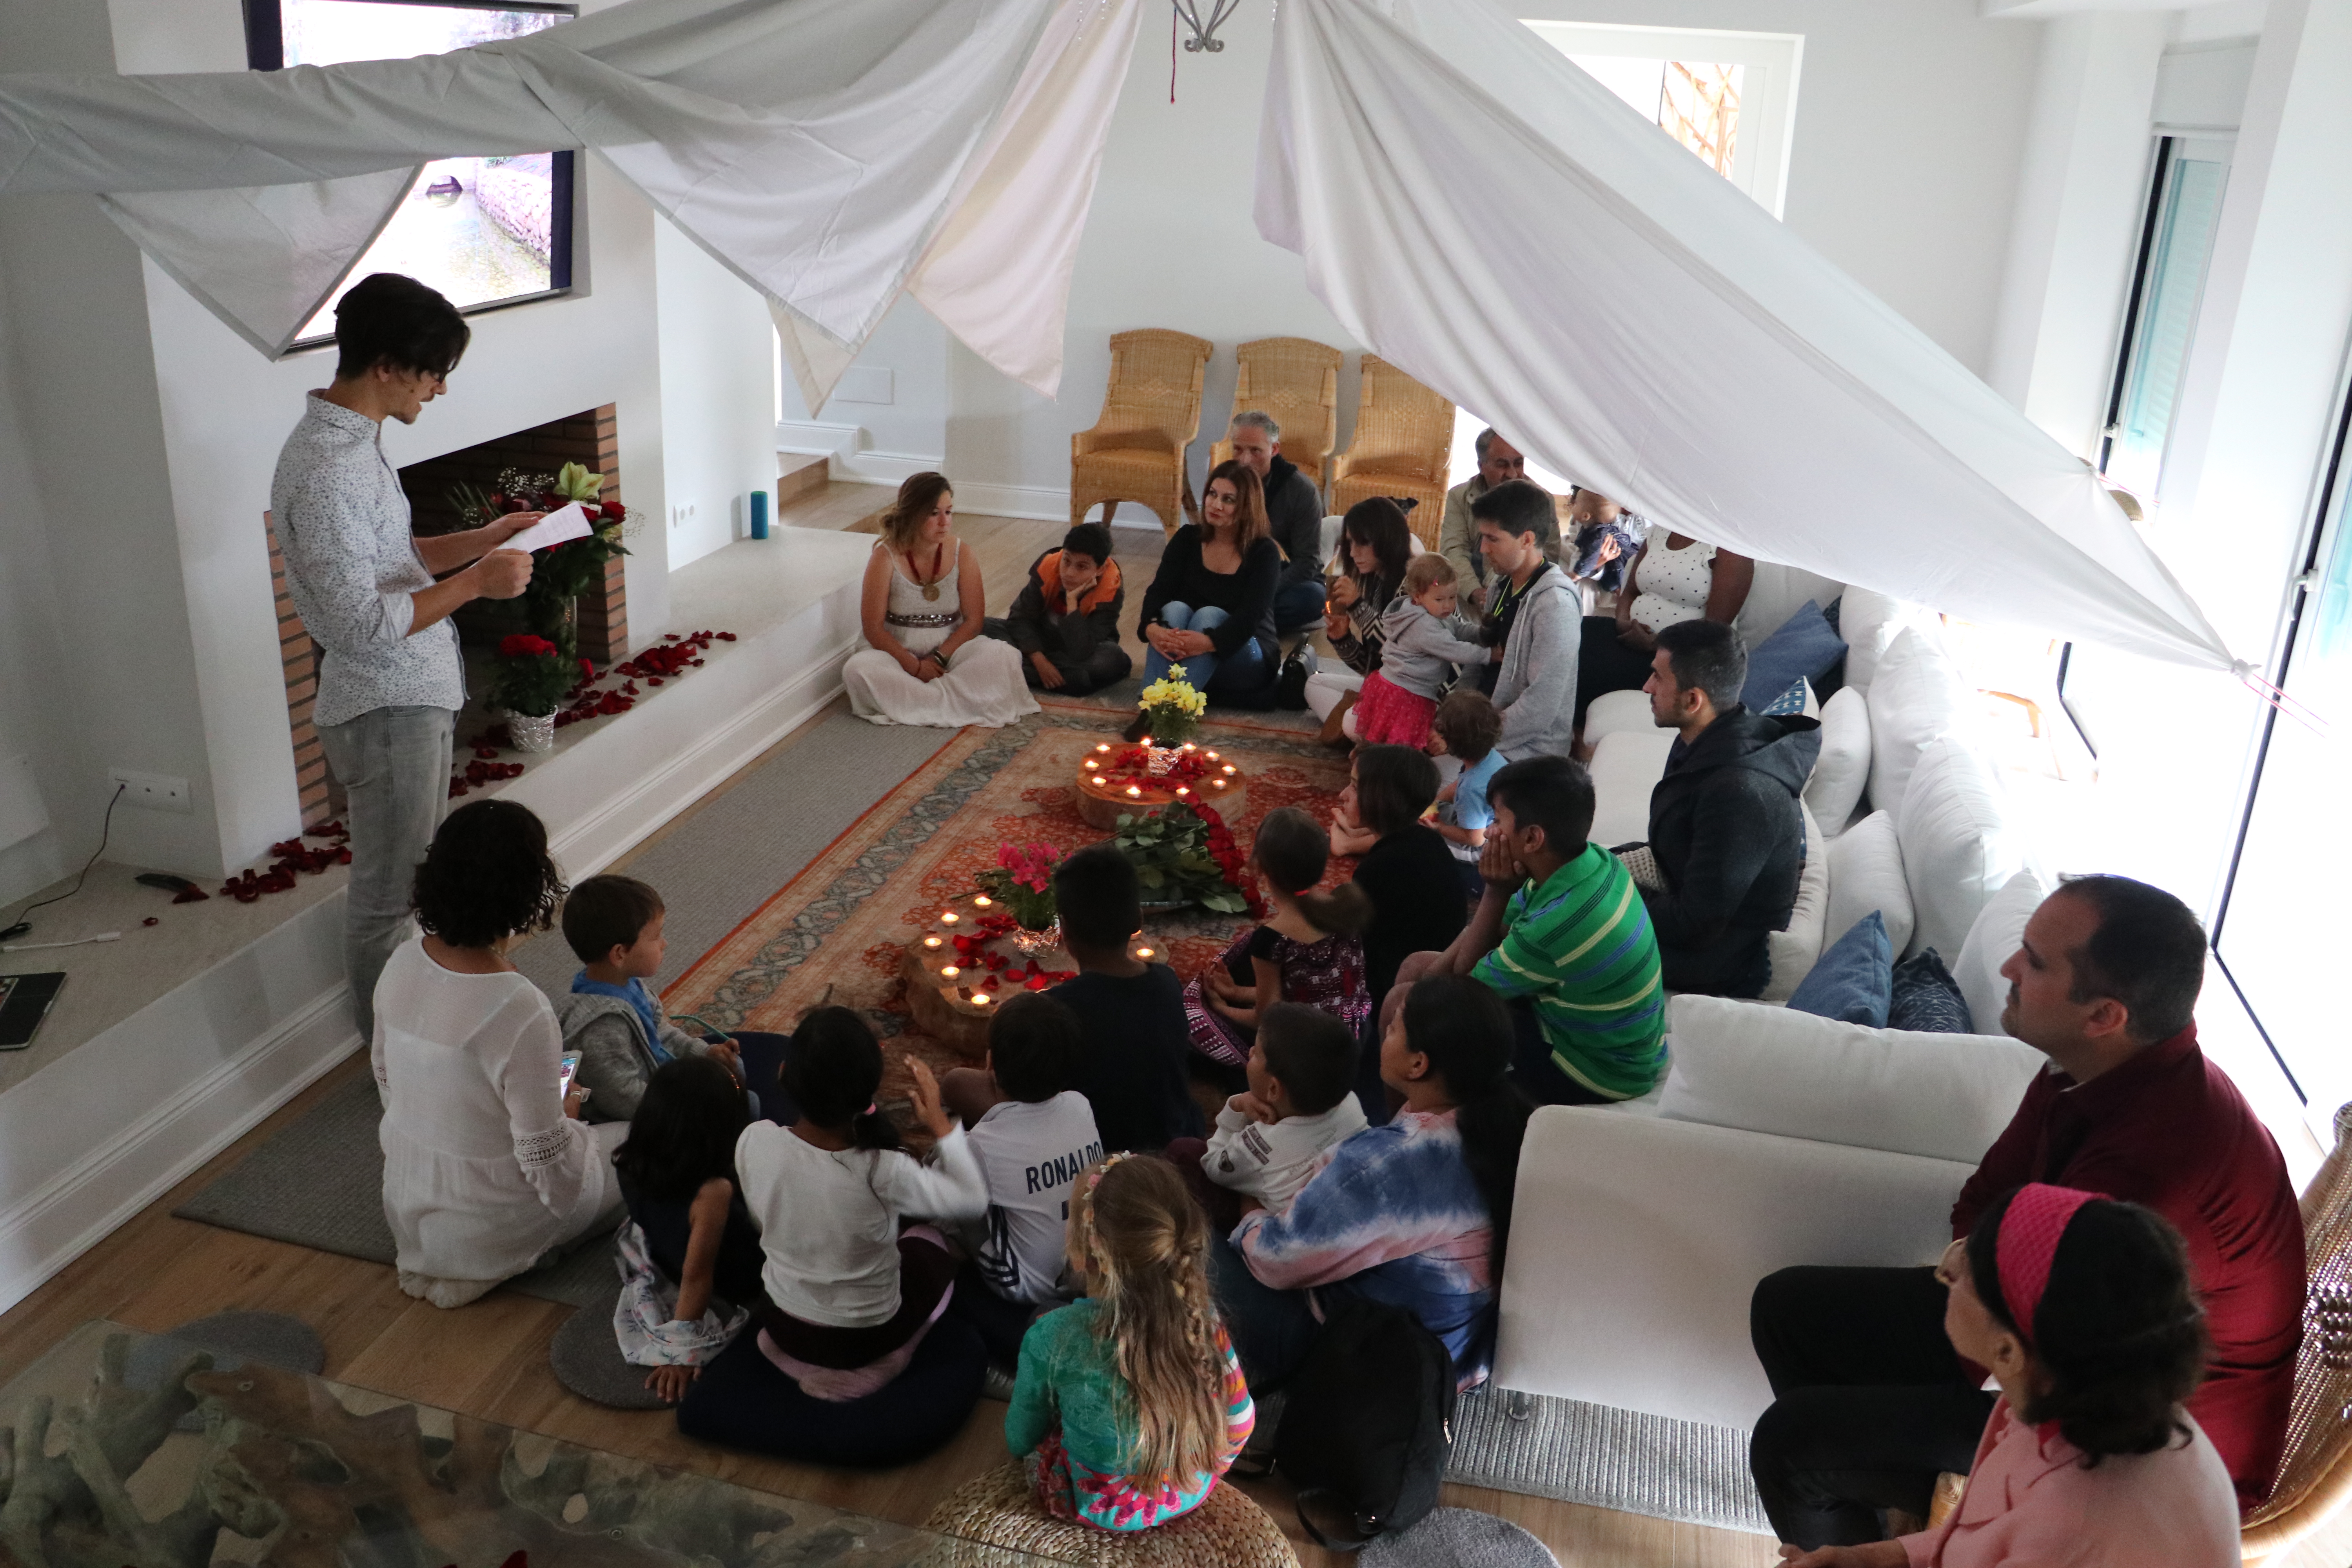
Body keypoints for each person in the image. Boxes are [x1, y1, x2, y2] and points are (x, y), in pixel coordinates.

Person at [1749, 876, 2304, 1522]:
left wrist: (1980, 1282)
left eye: (2035, 962)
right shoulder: (2088, 1064)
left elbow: (2043, 1362)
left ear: (2105, 1016)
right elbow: (1985, 1197)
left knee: (1795, 1441)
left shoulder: (2155, 1178)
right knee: (1788, 1310)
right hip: (2046, 1337)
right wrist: (1977, 1262)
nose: (2009, 967)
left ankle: (1884, 1515)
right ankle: (1873, 1511)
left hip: (2131, 1444)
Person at [272, 273, 539, 1041]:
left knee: (415, 884)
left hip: (408, 694)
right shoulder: (325, 470)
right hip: (383, 705)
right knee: (389, 898)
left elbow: (396, 556)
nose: (442, 388)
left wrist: (483, 540)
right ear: (387, 364)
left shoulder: (353, 443)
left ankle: (419, 1032)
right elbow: (358, 622)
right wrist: (477, 584)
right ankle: (393, 1060)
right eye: (434, 370)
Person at [1760, 1185, 2239, 1565]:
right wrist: (1870, 1558)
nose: (1948, 1265)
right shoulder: (2068, 1389)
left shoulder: (2069, 1530)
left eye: (1967, 1272)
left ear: (2008, 1349)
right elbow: (1974, 1538)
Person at [1207, 973, 1535, 1390]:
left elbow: (1275, 1261)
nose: (1385, 1033)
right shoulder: (1511, 1121)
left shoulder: (1392, 1163)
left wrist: (1250, 1205)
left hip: (1369, 1363)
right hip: (1459, 1346)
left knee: (1182, 1232)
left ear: (1419, 1064)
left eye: (1395, 1027)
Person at [372, 799, 625, 1308]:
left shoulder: (401, 961)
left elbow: (387, 1078)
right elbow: (546, 1161)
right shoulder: (519, 1006)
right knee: (641, 1144)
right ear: (528, 889)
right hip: (493, 1218)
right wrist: (570, 1118)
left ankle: (468, 1254)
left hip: (408, 1202)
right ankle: (526, 1252)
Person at [731, 1007, 989, 1399]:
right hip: (866, 1338)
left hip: (781, 1319)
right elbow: (972, 1199)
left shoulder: (755, 1139)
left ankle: (790, 1356)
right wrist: (940, 1122)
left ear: (784, 1073)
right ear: (869, 1091)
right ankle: (890, 1359)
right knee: (931, 1242)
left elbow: (764, 1218)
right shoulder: (884, 1169)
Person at [1005, 1154, 1256, 1531]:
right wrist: (1204, 1470)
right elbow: (1241, 1423)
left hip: (1096, 1505)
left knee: (1045, 1327)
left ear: (1081, 1253)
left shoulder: (1051, 1335)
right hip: (1187, 1493)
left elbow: (1019, 1440)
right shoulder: (1201, 1317)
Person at [1400, 756, 1667, 1105]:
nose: (1490, 830)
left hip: (1595, 1070)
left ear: (1531, 838)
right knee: (1415, 966)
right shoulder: (1593, 863)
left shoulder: (1558, 926)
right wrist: (1433, 976)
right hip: (1585, 1029)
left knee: (1401, 1005)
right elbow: (1496, 930)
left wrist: (1495, 890)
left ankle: (1403, 1131)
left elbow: (1465, 990)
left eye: (1496, 819)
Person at [1635, 620, 1818, 998]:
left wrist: (1607, 891)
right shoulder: (1709, 734)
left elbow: (1693, 925)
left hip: (1721, 958)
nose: (1646, 687)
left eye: (1657, 677)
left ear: (1693, 700)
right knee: (1562, 872)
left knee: (1560, 931)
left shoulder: (1738, 792)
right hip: (1687, 896)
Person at [936, 993, 1105, 1367]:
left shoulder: (981, 1146)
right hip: (1085, 1268)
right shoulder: (1080, 1105)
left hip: (1025, 1286)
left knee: (946, 1201)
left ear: (990, 1063)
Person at [552, 873, 792, 1123]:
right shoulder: (600, 1026)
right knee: (750, 1104)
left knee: (734, 1068)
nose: (664, 943)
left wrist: (703, 1052)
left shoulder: (625, 983)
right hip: (653, 1116)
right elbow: (623, 1099)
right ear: (620, 954)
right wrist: (687, 1105)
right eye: (656, 936)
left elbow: (660, 1033)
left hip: (663, 1080)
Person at [611, 1054, 767, 1404]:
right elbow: (698, 1276)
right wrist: (680, 1352)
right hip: (741, 1276)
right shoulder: (713, 1192)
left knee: (753, 1102)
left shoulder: (628, 1160)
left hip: (666, 1250)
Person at [1184, 806, 1374, 1069]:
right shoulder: (1344, 904)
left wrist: (1222, 1008)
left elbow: (1266, 1019)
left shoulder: (1271, 939)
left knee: (1189, 1018)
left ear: (1260, 866)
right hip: (1354, 1037)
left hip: (1308, 1056)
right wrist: (1238, 993)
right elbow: (1310, 991)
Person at [842, 472, 1036, 728]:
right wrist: (913, 666)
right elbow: (873, 628)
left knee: (1002, 656)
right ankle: (955, 702)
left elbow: (974, 621)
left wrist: (938, 659)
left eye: (949, 512)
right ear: (913, 514)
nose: (945, 523)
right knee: (857, 670)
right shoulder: (884, 556)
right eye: (934, 514)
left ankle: (918, 703)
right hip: (897, 654)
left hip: (949, 653)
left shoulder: (962, 553)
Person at [1048, 844, 1205, 1153]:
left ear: (1064, 930)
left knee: (960, 1085)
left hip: (1098, 1155)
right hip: (1174, 1136)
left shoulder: (1055, 1010)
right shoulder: (1167, 981)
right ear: (1138, 919)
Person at [1177, 1002, 1368, 1230]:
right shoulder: (1350, 1102)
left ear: (1274, 1090)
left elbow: (1213, 1166)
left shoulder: (1259, 1146)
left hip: (1279, 1235)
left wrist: (1235, 1107)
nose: (1250, 1052)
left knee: (1184, 1150)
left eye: (1257, 1053)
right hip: (1341, 1217)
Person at [1132, 460, 1283, 730]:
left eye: (1228, 499)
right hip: (1190, 651)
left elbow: (1251, 617)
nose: (1215, 505)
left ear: (1247, 506)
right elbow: (1158, 590)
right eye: (1212, 494)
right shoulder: (1187, 539)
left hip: (1246, 655)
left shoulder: (1264, 552)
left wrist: (1209, 642)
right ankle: (1152, 709)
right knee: (1174, 610)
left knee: (1209, 615)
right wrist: (1151, 628)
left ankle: (1173, 719)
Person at [1575, 525, 1753, 731]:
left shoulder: (1730, 547)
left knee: (1592, 665)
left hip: (1680, 658)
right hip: (1631, 635)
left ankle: (1578, 739)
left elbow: (1713, 632)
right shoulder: (1661, 530)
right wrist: (1624, 624)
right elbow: (1630, 591)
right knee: (1578, 633)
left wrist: (1657, 645)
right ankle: (1566, 734)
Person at [1471, 481, 1579, 760]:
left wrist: (1472, 738)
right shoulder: (1500, 584)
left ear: (1527, 540)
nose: (1483, 549)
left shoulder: (1555, 605)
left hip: (1528, 751)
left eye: (1493, 539)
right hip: (1487, 732)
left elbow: (1540, 707)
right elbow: (1480, 665)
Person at [1301, 497, 1416, 744]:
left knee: (1352, 724)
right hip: (1387, 688)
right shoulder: (1377, 582)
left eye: (1363, 543)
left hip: (1416, 696)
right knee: (1314, 684)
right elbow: (1374, 667)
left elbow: (1400, 652)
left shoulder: (1414, 582)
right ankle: (1375, 733)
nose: (1353, 553)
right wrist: (1343, 639)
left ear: (1387, 539)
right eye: (1350, 543)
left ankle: (1374, 733)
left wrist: (1357, 605)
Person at [1354, 554, 1490, 750]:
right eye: (1440, 599)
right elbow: (1453, 649)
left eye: (1452, 597)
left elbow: (1459, 629)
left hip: (1400, 687)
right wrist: (1487, 655)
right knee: (1399, 745)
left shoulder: (1432, 612)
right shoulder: (1423, 625)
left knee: (1385, 736)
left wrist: (1481, 633)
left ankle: (1366, 755)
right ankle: (1372, 765)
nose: (1448, 605)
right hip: (1406, 693)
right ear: (1417, 596)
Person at [984, 522, 1132, 696]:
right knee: (980, 626)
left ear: (1100, 570)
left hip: (1078, 650)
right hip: (1038, 639)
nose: (1069, 572)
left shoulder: (1110, 590)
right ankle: (1064, 680)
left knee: (1111, 659)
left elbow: (1081, 650)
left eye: (1082, 567)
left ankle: (1010, 668)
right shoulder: (1049, 565)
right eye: (1067, 561)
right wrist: (1039, 661)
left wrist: (1072, 603)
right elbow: (1020, 617)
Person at [1225, 410, 1329, 636]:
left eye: (1255, 451)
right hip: (1233, 573)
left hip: (1281, 579)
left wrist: (1259, 591)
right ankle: (1249, 621)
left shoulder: (1302, 490)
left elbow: (1307, 563)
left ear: (1274, 450)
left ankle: (1234, 621)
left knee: (1313, 598)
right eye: (1238, 449)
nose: (1244, 460)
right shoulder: (1224, 483)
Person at [1437, 430, 1557, 610]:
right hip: (1467, 599)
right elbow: (1454, 550)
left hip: (1520, 601)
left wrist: (1500, 592)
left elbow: (1547, 556)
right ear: (1481, 466)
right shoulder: (1458, 497)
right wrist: (1475, 593)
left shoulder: (1543, 501)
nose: (1512, 474)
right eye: (1502, 465)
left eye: (1519, 463)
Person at [1429, 690, 1506, 900]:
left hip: (1482, 856)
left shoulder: (1472, 789)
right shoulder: (1490, 756)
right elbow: (1458, 783)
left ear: (1453, 743)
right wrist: (1436, 802)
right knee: (1427, 813)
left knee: (1422, 842)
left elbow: (1475, 839)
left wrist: (1437, 828)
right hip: (1490, 829)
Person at [1563, 486, 1651, 595]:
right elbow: (1582, 555)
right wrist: (1595, 565)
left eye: (1575, 504)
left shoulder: (1596, 533)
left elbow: (1588, 557)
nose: (1572, 507)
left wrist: (1577, 574)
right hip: (1611, 568)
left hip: (1634, 567)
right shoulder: (1593, 508)